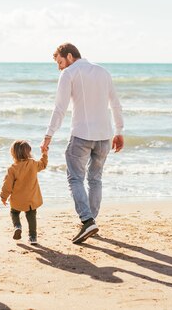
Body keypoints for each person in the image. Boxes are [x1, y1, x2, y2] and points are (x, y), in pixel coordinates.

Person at [41, 43, 124, 244]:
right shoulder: (103, 72)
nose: (60, 67)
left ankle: (87, 221)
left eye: (60, 62)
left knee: (75, 178)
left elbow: (59, 108)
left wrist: (48, 136)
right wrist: (119, 131)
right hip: (104, 137)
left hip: (81, 136)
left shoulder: (70, 73)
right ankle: (91, 221)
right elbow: (115, 104)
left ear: (69, 56)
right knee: (95, 180)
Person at [0, 140, 48, 245]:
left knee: (14, 212)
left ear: (13, 153)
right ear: (28, 152)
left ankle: (17, 226)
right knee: (31, 216)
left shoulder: (12, 169)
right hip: (31, 199)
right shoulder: (33, 164)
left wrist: (3, 197)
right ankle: (33, 237)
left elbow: (7, 185)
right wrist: (44, 153)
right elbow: (43, 164)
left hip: (18, 199)